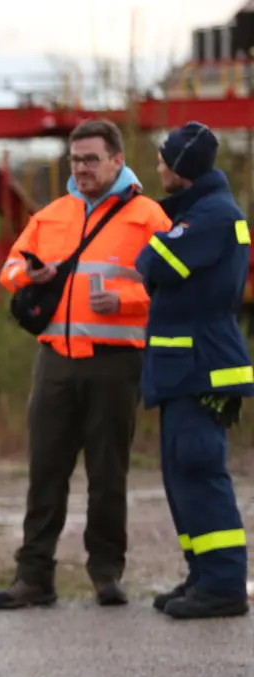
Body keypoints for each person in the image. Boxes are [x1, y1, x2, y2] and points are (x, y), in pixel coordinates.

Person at [0, 119, 173, 611]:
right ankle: (33, 577)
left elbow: (174, 290)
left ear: (117, 159)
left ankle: (106, 574)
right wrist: (26, 276)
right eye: (75, 160)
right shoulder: (51, 216)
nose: (82, 168)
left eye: (91, 159)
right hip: (54, 363)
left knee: (107, 474)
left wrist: (127, 301)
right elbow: (8, 269)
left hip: (115, 364)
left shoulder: (148, 217)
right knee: (45, 471)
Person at [137, 122, 254, 620]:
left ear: (182, 168)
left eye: (165, 159)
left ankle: (225, 583)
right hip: (184, 367)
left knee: (198, 471)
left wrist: (159, 234)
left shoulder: (211, 216)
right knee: (180, 475)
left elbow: (155, 263)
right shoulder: (200, 211)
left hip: (200, 365)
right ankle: (204, 574)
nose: (159, 166)